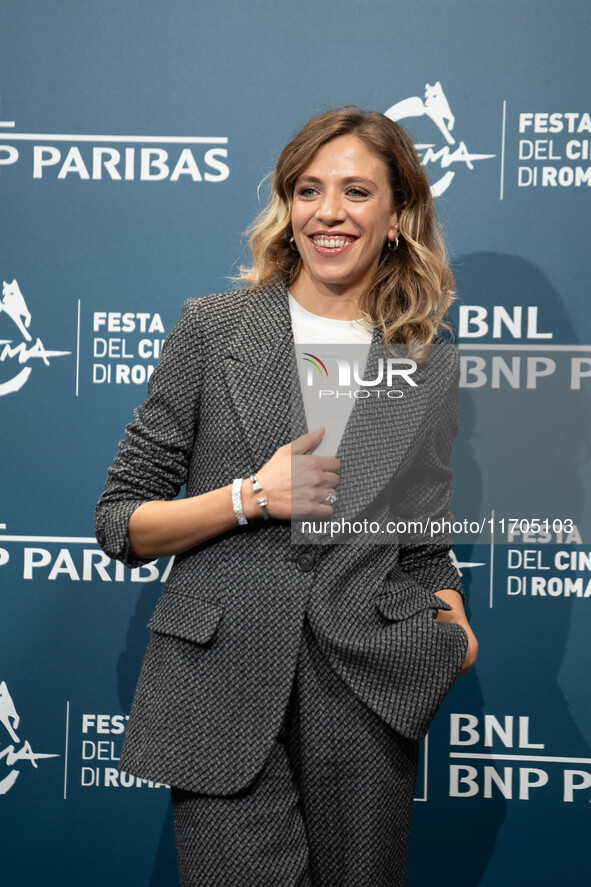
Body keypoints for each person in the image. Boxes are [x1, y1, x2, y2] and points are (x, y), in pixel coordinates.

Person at [95, 106, 478, 887]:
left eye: (355, 192)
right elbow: (120, 519)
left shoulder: (427, 362)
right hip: (218, 686)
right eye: (308, 190)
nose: (328, 212)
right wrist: (248, 496)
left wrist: (453, 629)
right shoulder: (213, 329)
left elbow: (423, 540)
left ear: (398, 215)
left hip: (367, 692)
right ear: (287, 206)